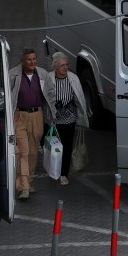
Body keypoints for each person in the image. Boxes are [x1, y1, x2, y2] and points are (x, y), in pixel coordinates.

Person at [9, 48, 55, 200]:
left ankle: (28, 181)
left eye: (34, 59)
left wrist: (52, 114)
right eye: (29, 59)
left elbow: (51, 94)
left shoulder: (43, 74)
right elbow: (7, 95)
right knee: (23, 151)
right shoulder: (13, 74)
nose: (32, 62)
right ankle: (24, 187)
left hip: (37, 115)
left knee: (34, 152)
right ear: (22, 60)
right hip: (19, 116)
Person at [42, 52, 88, 186]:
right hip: (54, 119)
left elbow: (79, 98)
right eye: (62, 65)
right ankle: (52, 170)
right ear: (55, 66)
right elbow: (45, 100)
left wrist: (81, 117)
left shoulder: (73, 78)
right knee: (53, 146)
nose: (65, 67)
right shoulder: (48, 78)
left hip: (69, 118)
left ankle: (63, 174)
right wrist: (51, 114)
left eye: (67, 65)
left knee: (67, 147)